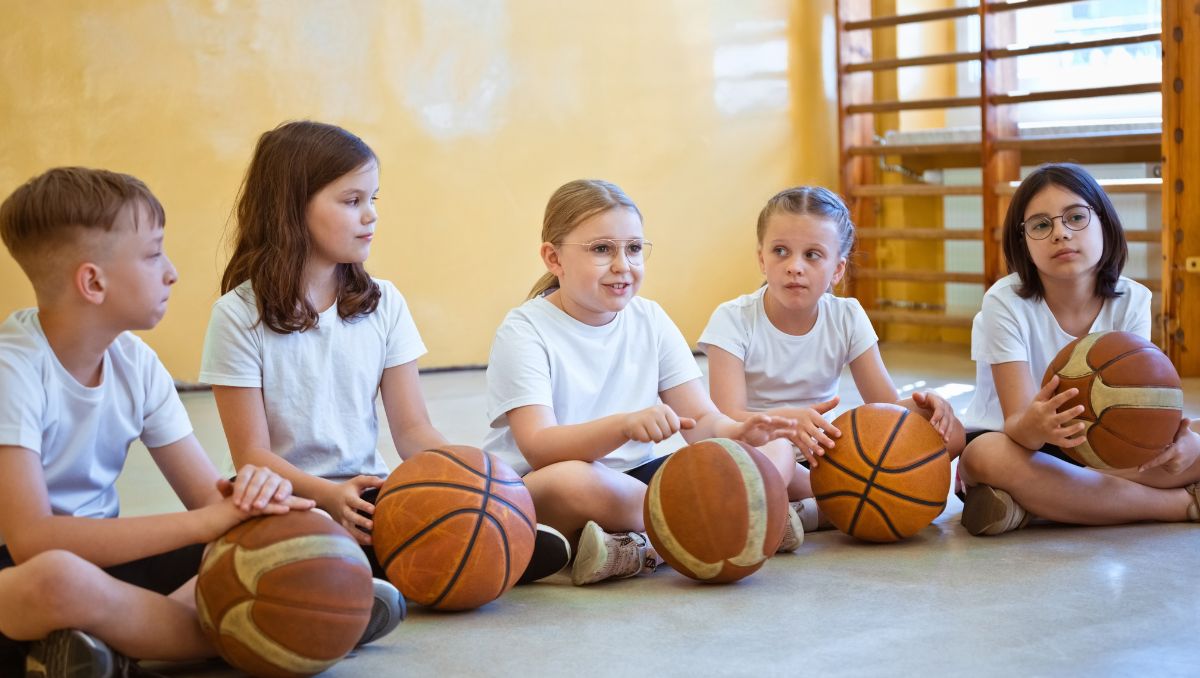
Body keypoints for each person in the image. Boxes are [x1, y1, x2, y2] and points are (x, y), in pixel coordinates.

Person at [198, 120, 569, 595]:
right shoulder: (237, 316)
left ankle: (406, 564)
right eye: (352, 201)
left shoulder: (384, 302)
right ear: (290, 208)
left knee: (448, 519)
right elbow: (253, 456)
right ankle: (364, 575)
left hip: (370, 494)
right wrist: (328, 496)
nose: (370, 215)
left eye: (373, 199)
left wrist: (479, 479)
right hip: (289, 495)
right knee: (282, 544)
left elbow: (413, 431)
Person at [0, 167, 313, 677]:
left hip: (103, 570)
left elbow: (209, 502)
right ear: (93, 281)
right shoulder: (11, 370)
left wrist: (255, 497)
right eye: (152, 255)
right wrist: (207, 522)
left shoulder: (136, 363)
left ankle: (99, 645)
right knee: (56, 580)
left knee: (290, 529)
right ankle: (283, 631)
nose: (172, 272)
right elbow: (31, 539)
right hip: (18, 575)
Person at [483, 179, 797, 586]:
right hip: (544, 488)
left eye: (633, 249)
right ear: (553, 258)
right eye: (601, 249)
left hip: (637, 483)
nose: (622, 265)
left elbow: (699, 418)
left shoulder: (649, 318)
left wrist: (737, 431)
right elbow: (541, 447)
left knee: (775, 447)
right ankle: (731, 525)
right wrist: (623, 426)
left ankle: (640, 546)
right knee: (571, 480)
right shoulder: (524, 330)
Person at [699, 186, 964, 533]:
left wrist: (928, 409)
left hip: (820, 450)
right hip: (756, 447)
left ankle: (801, 512)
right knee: (787, 452)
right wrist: (784, 421)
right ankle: (802, 510)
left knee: (953, 434)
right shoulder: (732, 319)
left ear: (837, 270)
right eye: (781, 251)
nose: (794, 267)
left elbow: (884, 408)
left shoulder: (847, 316)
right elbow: (726, 418)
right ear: (762, 259)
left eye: (812, 255)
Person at [957, 163, 1200, 536]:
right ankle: (1181, 505)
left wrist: (1178, 443)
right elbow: (1018, 424)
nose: (1060, 234)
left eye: (1075, 217)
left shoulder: (1133, 298)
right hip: (1023, 444)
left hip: (1104, 449)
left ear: (1104, 222)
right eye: (1041, 225)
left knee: (1195, 439)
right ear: (1023, 242)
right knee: (983, 457)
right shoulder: (1003, 303)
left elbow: (1147, 405)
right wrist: (1038, 424)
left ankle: (1031, 505)